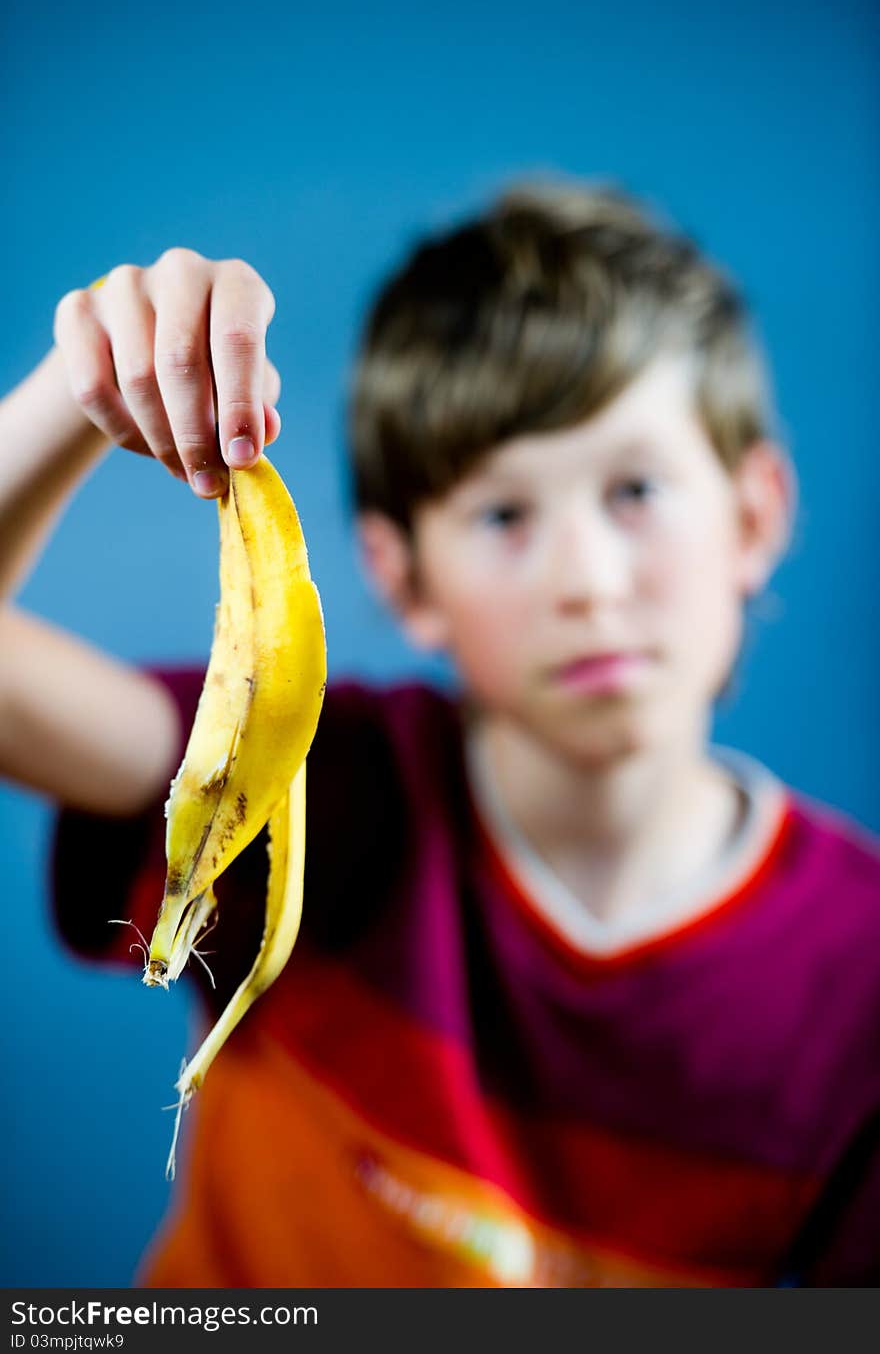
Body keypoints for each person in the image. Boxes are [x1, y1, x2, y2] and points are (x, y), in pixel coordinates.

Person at [1, 181, 878, 1288]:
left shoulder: (856, 990)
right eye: (503, 515)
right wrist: (69, 396)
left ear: (755, 514)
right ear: (399, 574)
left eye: (637, 489)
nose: (587, 585)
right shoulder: (313, 787)